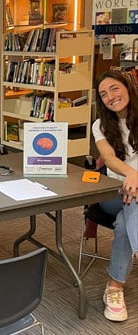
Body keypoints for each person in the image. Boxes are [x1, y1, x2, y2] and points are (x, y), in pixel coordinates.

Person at [93, 70, 138, 322]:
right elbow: (109, 159)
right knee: (132, 196)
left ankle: (114, 287)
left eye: (114, 89)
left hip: (133, 199)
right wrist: (131, 175)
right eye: (104, 94)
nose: (110, 97)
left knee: (125, 221)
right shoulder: (100, 126)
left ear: (127, 87)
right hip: (112, 193)